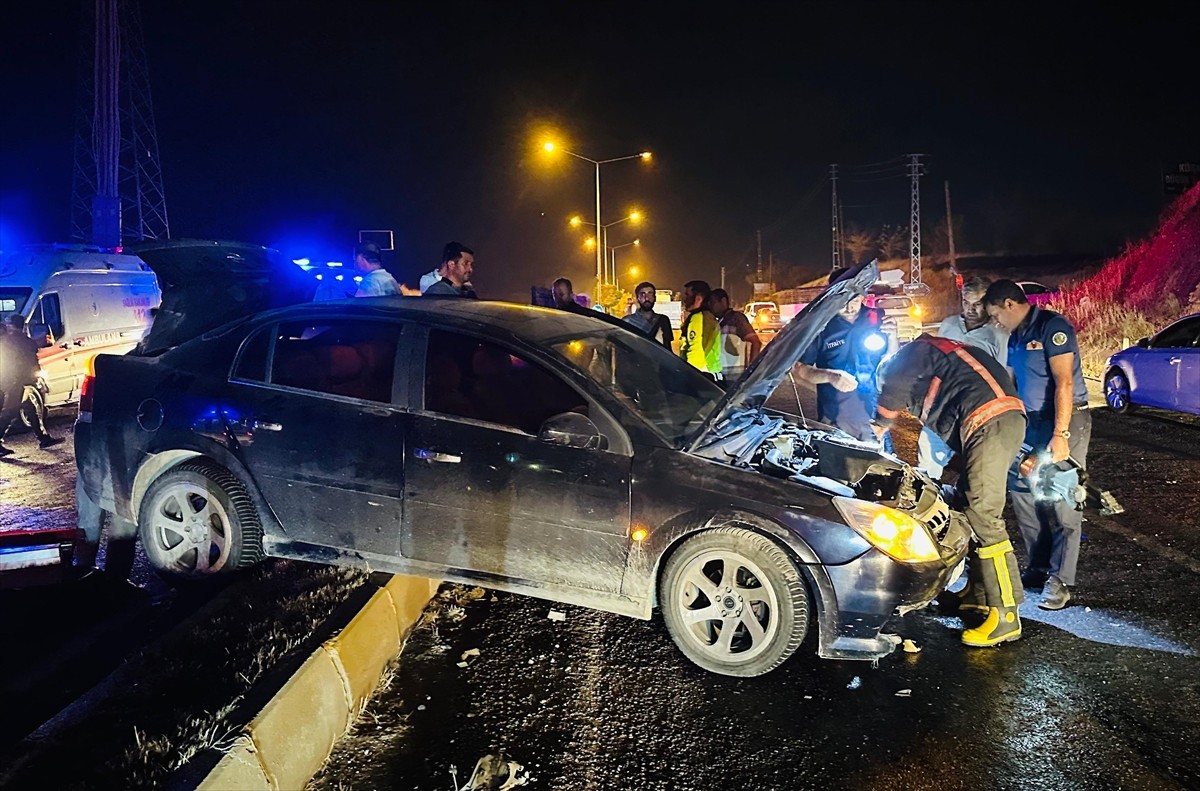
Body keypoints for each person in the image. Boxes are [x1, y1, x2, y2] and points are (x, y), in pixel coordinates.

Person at [873, 333, 1027, 646]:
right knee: (963, 503)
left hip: (990, 422)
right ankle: (977, 594)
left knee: (983, 516)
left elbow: (896, 381)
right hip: (993, 422)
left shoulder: (911, 354)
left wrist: (879, 423)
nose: (905, 407)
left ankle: (1007, 615)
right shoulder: (943, 362)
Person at [984, 279, 1090, 610]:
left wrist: (1061, 435)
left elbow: (1065, 382)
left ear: (1009, 304)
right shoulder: (1015, 336)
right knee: (1023, 493)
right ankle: (1039, 567)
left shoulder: (1051, 326)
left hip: (1063, 419)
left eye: (995, 315)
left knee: (1060, 497)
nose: (995, 323)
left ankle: (1060, 580)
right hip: (1030, 423)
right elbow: (1014, 384)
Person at [918, 276, 1010, 478]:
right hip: (943, 407)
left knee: (974, 468)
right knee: (927, 460)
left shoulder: (999, 335)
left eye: (977, 304)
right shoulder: (948, 325)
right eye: (966, 302)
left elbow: (1003, 377)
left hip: (976, 411)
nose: (971, 309)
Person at [792, 287, 884, 442]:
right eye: (843, 301)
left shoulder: (876, 318)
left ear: (863, 297)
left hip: (875, 414)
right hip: (834, 417)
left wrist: (893, 336)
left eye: (854, 300)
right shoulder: (820, 326)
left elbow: (890, 359)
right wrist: (831, 376)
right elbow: (801, 369)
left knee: (880, 465)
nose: (849, 308)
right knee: (838, 463)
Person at [0, 314, 63, 455]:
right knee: (11, 412)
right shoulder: (26, 342)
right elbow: (33, 363)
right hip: (21, 382)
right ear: (22, 326)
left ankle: (43, 438)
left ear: (12, 325)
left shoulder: (6, 341)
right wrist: (39, 379)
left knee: (31, 409)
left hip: (12, 382)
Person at [710, 288, 762, 383]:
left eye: (713, 303)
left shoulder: (736, 319)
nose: (711, 307)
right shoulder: (719, 321)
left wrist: (751, 370)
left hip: (735, 376)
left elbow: (756, 342)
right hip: (723, 375)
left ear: (723, 301)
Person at [679, 280, 721, 381]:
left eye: (687, 295)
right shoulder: (708, 316)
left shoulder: (698, 318)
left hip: (700, 374)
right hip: (710, 371)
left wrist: (690, 375)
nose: (685, 300)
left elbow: (695, 349)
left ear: (698, 298)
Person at [622, 281, 674, 349]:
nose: (647, 298)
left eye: (650, 294)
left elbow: (667, 348)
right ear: (637, 298)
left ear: (655, 298)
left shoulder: (663, 320)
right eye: (643, 294)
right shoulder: (627, 321)